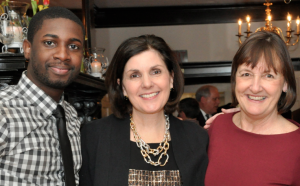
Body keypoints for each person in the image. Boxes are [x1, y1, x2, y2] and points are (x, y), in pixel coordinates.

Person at [79, 35, 209, 186]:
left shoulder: (197, 137)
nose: (147, 83)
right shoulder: (94, 136)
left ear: (171, 78)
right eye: (135, 75)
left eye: (155, 72)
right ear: (123, 87)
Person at [0, 7, 84, 185]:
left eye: (73, 46)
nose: (63, 55)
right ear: (28, 49)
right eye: (50, 43)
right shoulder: (3, 111)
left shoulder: (70, 114)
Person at [205, 31, 300, 185]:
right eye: (246, 74)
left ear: (285, 83)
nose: (255, 88)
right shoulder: (217, 127)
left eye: (268, 75)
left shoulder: (296, 145)